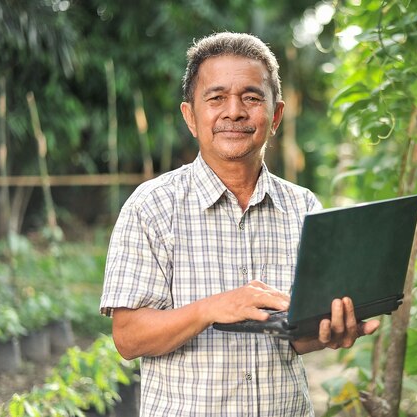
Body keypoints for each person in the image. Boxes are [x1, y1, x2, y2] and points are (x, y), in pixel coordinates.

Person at [100, 32, 380, 416]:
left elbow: (295, 336)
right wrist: (213, 307)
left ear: (276, 115)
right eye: (216, 98)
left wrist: (329, 333)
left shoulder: (304, 207)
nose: (234, 111)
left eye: (251, 97)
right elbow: (128, 337)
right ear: (191, 117)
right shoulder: (151, 206)